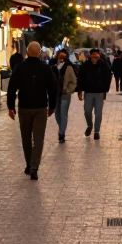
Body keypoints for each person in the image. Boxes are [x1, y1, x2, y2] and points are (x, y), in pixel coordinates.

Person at [6, 40, 56, 180]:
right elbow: (52, 88)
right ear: (39, 53)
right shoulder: (45, 68)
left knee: (26, 138)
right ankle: (34, 167)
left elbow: (12, 88)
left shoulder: (20, 68)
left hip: (24, 107)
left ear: (27, 52)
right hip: (40, 107)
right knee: (38, 139)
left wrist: (10, 107)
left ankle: (29, 163)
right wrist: (52, 106)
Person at [76, 46, 112, 139]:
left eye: (96, 57)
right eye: (93, 57)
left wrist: (105, 91)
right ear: (90, 57)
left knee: (98, 113)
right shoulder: (85, 66)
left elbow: (108, 78)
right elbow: (80, 78)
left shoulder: (104, 66)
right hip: (88, 92)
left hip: (99, 92)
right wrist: (79, 91)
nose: (94, 59)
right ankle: (89, 125)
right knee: (87, 111)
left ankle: (97, 131)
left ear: (99, 56)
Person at [54, 48, 77, 143]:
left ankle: (61, 133)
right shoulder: (54, 67)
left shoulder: (69, 68)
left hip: (64, 95)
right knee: (57, 115)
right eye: (60, 56)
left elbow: (73, 82)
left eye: (63, 56)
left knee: (63, 114)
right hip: (55, 95)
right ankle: (61, 128)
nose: (61, 58)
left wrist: (68, 90)